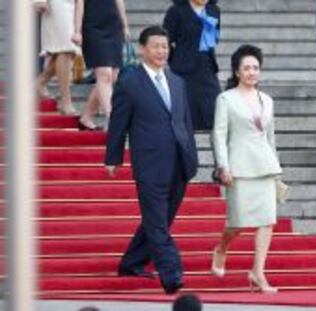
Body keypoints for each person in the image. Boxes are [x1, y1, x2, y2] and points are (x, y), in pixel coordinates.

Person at [104, 26, 198, 295]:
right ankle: (172, 272)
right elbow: (118, 121)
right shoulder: (130, 81)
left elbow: (184, 122)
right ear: (143, 49)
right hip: (149, 164)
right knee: (157, 221)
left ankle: (131, 262)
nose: (161, 51)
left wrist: (192, 156)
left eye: (165, 46)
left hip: (180, 162)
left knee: (161, 219)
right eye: (156, 46)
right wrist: (113, 156)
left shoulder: (177, 81)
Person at [210, 45, 282, 293]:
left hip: (265, 167)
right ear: (237, 72)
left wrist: (277, 169)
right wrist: (223, 166)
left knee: (267, 222)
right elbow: (219, 135)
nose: (252, 72)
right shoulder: (226, 99)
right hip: (238, 167)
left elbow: (270, 137)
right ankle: (222, 248)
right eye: (247, 68)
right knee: (238, 222)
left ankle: (258, 272)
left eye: (255, 68)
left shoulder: (268, 101)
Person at [163, 0, 221, 130]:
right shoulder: (176, 11)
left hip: (207, 66)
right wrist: (175, 59)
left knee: (214, 111)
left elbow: (215, 37)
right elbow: (165, 40)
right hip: (184, 69)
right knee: (186, 115)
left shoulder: (214, 10)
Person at [72, 0, 129, 130]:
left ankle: (86, 117)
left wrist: (125, 25)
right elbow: (79, 4)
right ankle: (113, 119)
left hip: (114, 26)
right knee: (104, 75)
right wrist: (77, 30)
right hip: (92, 27)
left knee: (113, 76)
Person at [35, 0, 81, 115]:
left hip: (71, 5)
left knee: (64, 50)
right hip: (57, 5)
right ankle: (65, 101)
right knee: (66, 49)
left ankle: (39, 82)